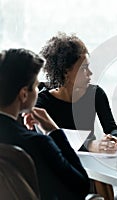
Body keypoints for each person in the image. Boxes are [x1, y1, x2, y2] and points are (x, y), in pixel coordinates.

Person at [36, 32, 117, 200]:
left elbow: (112, 127)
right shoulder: (42, 103)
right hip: (61, 170)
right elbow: (51, 140)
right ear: (66, 72)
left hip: (95, 167)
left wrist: (113, 139)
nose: (90, 73)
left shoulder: (96, 94)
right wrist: (91, 145)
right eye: (84, 68)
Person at [0, 48, 90, 199]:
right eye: (36, 86)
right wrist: (54, 131)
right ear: (23, 94)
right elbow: (81, 186)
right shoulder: (37, 143)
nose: (38, 90)